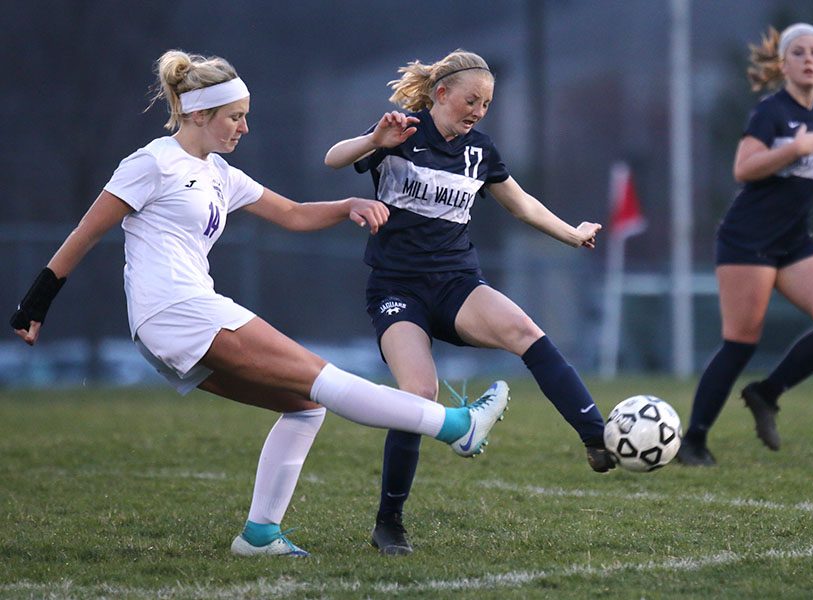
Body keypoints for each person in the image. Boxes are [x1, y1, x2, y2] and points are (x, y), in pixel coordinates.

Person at [9, 50, 510, 557]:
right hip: (178, 310)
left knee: (305, 405)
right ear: (199, 114)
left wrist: (348, 206)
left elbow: (291, 214)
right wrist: (36, 303)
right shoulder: (153, 161)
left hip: (172, 321)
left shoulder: (220, 174)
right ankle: (457, 426)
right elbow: (86, 232)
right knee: (325, 378)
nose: (244, 127)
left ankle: (260, 535)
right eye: (235, 116)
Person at [324, 49, 617, 556]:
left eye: (486, 104)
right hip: (397, 290)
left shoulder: (480, 152)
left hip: (457, 284)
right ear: (441, 95)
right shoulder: (401, 132)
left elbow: (521, 203)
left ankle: (596, 436)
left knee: (527, 332)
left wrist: (572, 234)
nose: (479, 112)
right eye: (471, 101)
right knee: (419, 393)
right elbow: (334, 157)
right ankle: (388, 523)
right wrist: (375, 138)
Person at [677, 24, 813, 466]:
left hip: (794, 242)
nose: (809, 58)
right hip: (749, 241)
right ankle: (694, 440)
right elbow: (744, 168)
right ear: (783, 64)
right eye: (798, 52)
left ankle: (767, 392)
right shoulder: (770, 112)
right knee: (741, 342)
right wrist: (791, 150)